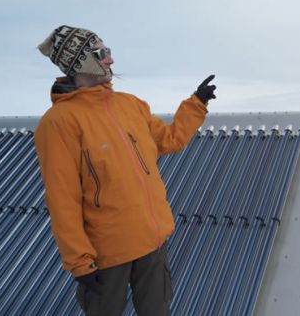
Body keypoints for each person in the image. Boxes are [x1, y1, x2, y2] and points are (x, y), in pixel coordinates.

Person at [34, 25, 216, 315]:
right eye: (101, 53)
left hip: (152, 241)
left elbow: (170, 140)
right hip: (107, 254)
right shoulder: (59, 123)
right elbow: (61, 198)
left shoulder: (130, 105)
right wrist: (78, 261)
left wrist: (196, 104)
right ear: (80, 61)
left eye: (109, 52)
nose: (110, 60)